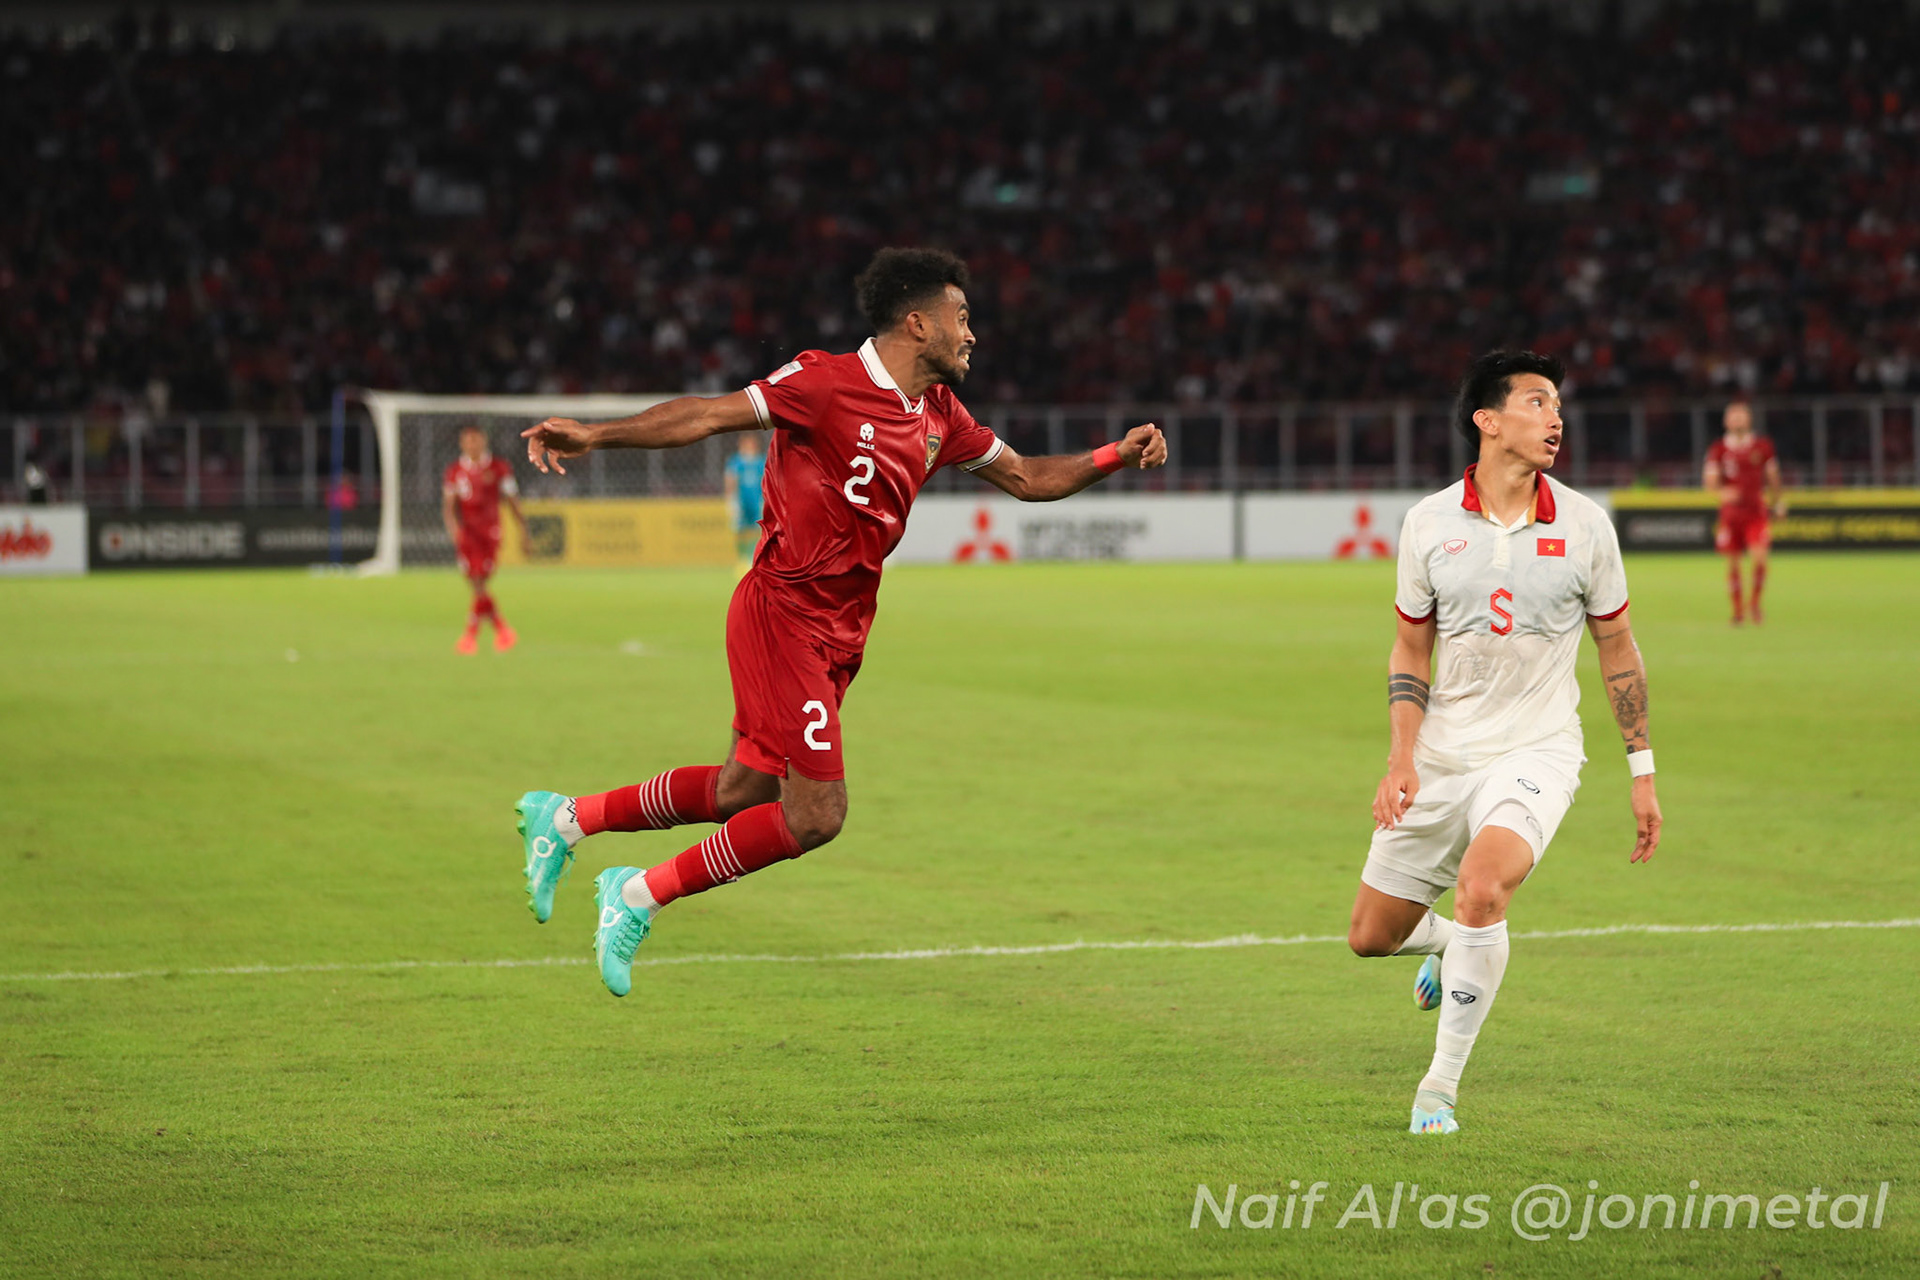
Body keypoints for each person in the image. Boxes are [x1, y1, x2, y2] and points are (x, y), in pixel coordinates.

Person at [512, 247, 1167, 997]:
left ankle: (566, 818)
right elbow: (707, 415)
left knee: (742, 792)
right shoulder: (825, 382)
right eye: (961, 317)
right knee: (817, 813)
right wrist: (596, 436)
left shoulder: (939, 416)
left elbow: (1025, 477)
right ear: (917, 324)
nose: (972, 334)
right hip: (782, 613)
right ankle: (636, 894)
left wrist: (1117, 451)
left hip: (840, 634)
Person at [1345, 350, 1663, 1135]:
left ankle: (1437, 1092)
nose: (1556, 418)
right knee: (1368, 936)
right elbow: (1410, 650)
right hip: (1446, 751)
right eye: (1536, 402)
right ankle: (1454, 948)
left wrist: (1641, 769)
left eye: (1557, 404)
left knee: (1484, 888)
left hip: (1538, 750)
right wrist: (1402, 756)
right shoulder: (1427, 523)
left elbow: (1618, 648)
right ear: (1488, 421)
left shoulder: (1587, 525)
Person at [441, 425, 530, 654]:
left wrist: (524, 531)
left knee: (480, 581)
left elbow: (512, 501)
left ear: (484, 442)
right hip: (467, 535)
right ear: (462, 444)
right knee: (475, 583)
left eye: (476, 441)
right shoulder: (454, 471)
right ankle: (503, 630)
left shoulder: (499, 468)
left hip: (489, 533)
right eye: (468, 441)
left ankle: (471, 635)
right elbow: (449, 508)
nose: (472, 445)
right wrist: (455, 532)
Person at [1702, 400, 1784, 625]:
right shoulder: (1718, 449)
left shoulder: (1762, 446)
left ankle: (1755, 604)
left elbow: (1773, 477)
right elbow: (1710, 482)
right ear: (1726, 421)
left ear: (1749, 419)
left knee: (1759, 558)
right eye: (1733, 416)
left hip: (1756, 512)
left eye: (1741, 415)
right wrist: (1722, 492)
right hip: (1731, 515)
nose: (1737, 420)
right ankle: (1738, 610)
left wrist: (1778, 502)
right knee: (1733, 563)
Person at [723, 432, 767, 572]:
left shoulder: (760, 461)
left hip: (757, 501)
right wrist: (731, 500)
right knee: (740, 530)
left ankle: (751, 558)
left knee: (757, 530)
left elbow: (765, 481)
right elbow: (730, 480)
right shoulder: (736, 461)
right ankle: (741, 558)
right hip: (741, 501)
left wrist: (766, 500)